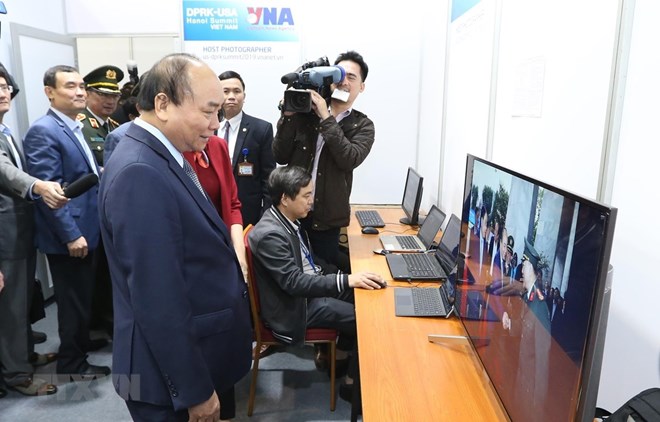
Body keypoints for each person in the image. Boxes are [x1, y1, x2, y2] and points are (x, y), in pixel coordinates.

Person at [99, 53, 252, 422]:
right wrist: (194, 390)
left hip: (187, 357)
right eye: (208, 111)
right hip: (167, 380)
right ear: (163, 104)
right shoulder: (140, 170)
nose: (216, 124)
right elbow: (157, 296)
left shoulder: (161, 156)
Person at [247, 166, 385, 400]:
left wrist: (347, 277)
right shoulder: (270, 234)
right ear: (285, 198)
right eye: (306, 196)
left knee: (369, 297)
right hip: (295, 308)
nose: (312, 201)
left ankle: (340, 359)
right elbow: (295, 283)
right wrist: (345, 279)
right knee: (367, 319)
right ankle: (351, 386)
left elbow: (310, 264)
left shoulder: (287, 219)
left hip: (307, 292)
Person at [23, 65, 110, 382]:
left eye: (82, 86)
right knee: (72, 301)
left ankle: (82, 343)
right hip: (70, 236)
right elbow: (50, 192)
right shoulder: (44, 131)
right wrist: (71, 236)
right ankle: (72, 364)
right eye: (70, 86)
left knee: (84, 296)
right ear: (50, 92)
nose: (79, 92)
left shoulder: (75, 126)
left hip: (90, 228)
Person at [0, 67, 69, 396]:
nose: (2, 93)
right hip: (5, 241)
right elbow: (6, 171)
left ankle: (25, 354)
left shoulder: (7, 131)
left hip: (20, 235)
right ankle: (17, 375)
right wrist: (39, 185)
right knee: (11, 310)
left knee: (23, 302)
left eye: (4, 87)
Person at [273, 50, 374, 270]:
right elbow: (279, 155)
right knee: (292, 273)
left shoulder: (363, 126)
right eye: (338, 76)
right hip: (292, 213)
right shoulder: (304, 114)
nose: (343, 82)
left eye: (351, 77)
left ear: (362, 87)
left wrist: (326, 117)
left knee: (323, 274)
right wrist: (288, 117)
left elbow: (348, 159)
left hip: (326, 221)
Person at [183, 136, 247, 279]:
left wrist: (239, 252)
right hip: (191, 259)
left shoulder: (218, 145)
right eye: (207, 113)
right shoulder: (174, 150)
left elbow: (232, 204)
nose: (215, 124)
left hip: (224, 250)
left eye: (218, 114)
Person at [218, 70, 276, 227]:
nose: (231, 96)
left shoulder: (260, 129)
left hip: (249, 214)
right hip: (214, 210)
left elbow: (269, 177)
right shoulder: (208, 129)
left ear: (244, 96)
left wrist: (266, 216)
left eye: (237, 91)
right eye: (225, 91)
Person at [78, 65, 124, 167]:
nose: (110, 101)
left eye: (115, 96)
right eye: (103, 95)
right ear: (87, 94)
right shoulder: (79, 126)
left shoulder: (115, 127)